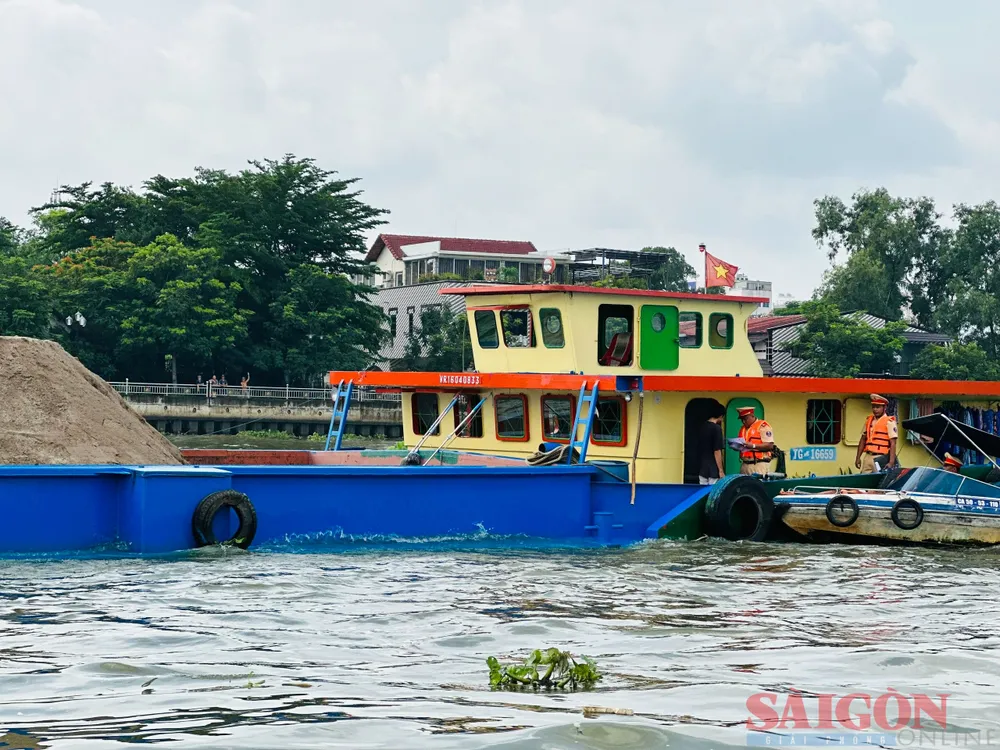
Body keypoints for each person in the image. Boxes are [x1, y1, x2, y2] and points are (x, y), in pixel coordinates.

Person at [856, 393, 898, 473]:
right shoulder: (869, 420)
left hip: (880, 457)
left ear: (884, 408)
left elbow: (893, 443)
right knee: (864, 480)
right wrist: (858, 457)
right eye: (873, 407)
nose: (875, 409)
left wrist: (891, 462)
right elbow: (863, 439)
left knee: (880, 480)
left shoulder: (890, 422)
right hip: (868, 456)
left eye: (878, 407)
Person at [734, 406, 776, 476]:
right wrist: (737, 446)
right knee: (744, 486)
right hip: (745, 464)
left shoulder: (763, 426)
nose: (743, 421)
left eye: (745, 419)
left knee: (757, 485)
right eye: (742, 419)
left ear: (752, 416)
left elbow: (769, 445)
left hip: (758, 464)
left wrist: (753, 445)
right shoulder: (743, 429)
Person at [697, 407, 725, 485]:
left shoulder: (702, 426)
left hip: (702, 468)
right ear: (720, 416)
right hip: (713, 469)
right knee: (713, 493)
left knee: (702, 492)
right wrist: (721, 470)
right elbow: (717, 451)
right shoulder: (717, 428)